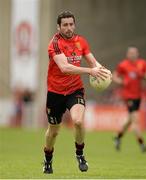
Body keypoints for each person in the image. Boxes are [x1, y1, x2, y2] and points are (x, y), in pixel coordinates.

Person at [43, 11, 111, 174]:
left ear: (74, 24)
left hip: (75, 90)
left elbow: (93, 61)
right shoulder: (55, 44)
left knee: (78, 122)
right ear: (58, 27)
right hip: (55, 92)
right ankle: (48, 159)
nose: (68, 28)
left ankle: (80, 154)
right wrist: (90, 71)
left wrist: (103, 71)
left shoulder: (81, 41)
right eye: (65, 25)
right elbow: (65, 68)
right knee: (53, 131)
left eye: (71, 24)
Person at [113, 46, 146, 152]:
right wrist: (121, 82)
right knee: (135, 120)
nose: (132, 54)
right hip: (128, 96)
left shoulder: (142, 63)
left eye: (134, 53)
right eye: (130, 53)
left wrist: (144, 75)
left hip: (138, 96)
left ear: (137, 54)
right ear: (127, 54)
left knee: (130, 120)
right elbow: (114, 76)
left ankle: (117, 137)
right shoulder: (123, 65)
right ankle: (142, 144)